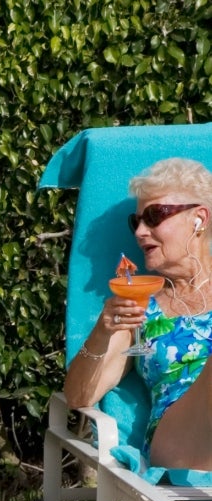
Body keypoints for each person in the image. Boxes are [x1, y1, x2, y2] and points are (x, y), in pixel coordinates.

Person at [63, 157, 212, 472]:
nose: (141, 232)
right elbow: (78, 397)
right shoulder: (139, 309)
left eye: (155, 216)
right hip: (180, 445)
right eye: (136, 222)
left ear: (199, 219)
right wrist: (102, 332)